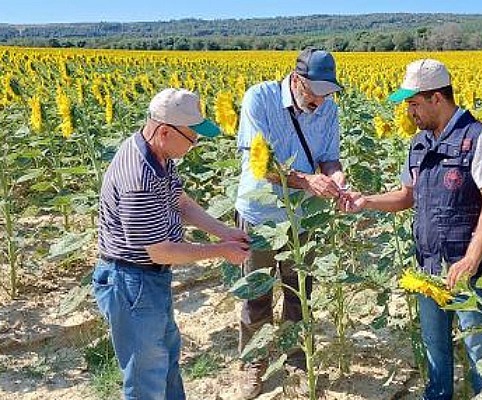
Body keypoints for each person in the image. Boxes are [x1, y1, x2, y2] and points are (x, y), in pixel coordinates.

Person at [342, 59, 482, 399]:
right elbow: (406, 196)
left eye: (414, 104)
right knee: (435, 347)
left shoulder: (480, 139)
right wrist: (367, 201)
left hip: (466, 269)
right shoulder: (418, 144)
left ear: (437, 98)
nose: (410, 113)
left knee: (479, 347)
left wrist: (471, 260)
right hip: (428, 265)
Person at [92, 88, 251, 400]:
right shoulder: (138, 174)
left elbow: (180, 203)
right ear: (165, 131)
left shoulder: (159, 155)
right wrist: (220, 251)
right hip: (131, 282)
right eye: (192, 138)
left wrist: (224, 232)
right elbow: (160, 249)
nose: (195, 145)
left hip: (148, 279)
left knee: (165, 362)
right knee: (146, 378)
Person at [234, 48, 347, 398]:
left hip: (301, 217)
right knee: (257, 293)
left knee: (300, 291)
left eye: (327, 92)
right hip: (262, 216)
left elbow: (329, 158)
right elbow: (260, 164)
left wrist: (337, 177)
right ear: (296, 80)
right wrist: (307, 181)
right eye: (315, 92)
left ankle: (297, 359)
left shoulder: (327, 108)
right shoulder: (260, 98)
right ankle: (252, 363)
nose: (320, 100)